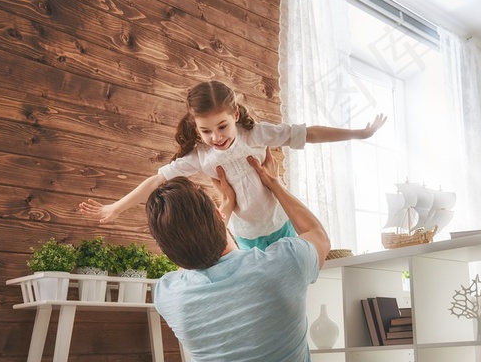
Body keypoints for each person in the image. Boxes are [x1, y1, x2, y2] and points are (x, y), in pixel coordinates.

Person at [145, 150, 368, 362]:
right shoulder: (281, 263)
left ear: (166, 247)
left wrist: (222, 210)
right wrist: (273, 183)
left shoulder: (167, 294)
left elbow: (192, 261)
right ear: (216, 218)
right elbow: (318, 236)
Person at [80, 80, 386, 249]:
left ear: (235, 115)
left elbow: (308, 134)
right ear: (196, 127)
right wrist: (116, 207)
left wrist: (360, 133)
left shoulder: (256, 134)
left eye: (222, 127)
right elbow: (156, 180)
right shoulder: (200, 155)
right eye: (206, 130)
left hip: (280, 226)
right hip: (244, 237)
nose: (216, 137)